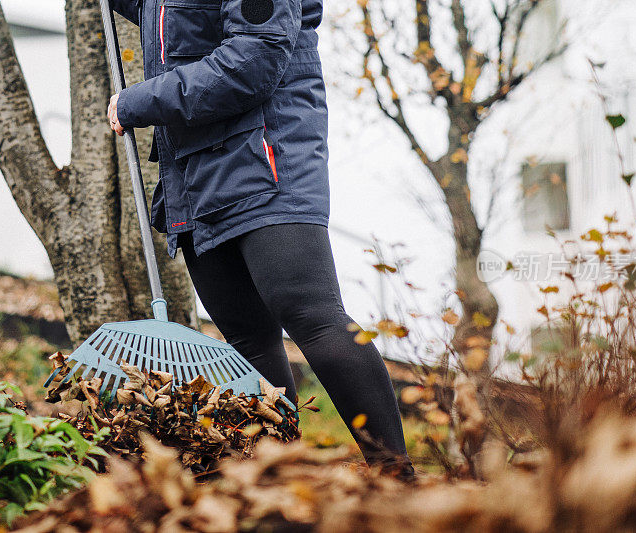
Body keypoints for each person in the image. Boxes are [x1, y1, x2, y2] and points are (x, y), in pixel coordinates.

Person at [107, 0, 412, 474]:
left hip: (266, 159)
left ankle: (396, 475)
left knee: (311, 316)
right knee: (248, 341)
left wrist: (138, 102)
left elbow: (254, 57)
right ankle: (278, 480)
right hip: (195, 177)